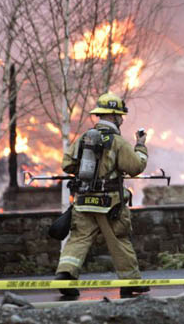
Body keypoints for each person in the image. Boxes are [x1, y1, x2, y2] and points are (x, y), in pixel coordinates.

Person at [54, 92, 150, 298]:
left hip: (84, 200)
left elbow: (67, 164)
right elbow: (135, 167)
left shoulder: (83, 139)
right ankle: (130, 282)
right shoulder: (118, 142)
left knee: (78, 239)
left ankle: (65, 275)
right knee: (119, 240)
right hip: (110, 204)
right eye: (120, 115)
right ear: (114, 117)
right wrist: (141, 146)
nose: (122, 119)